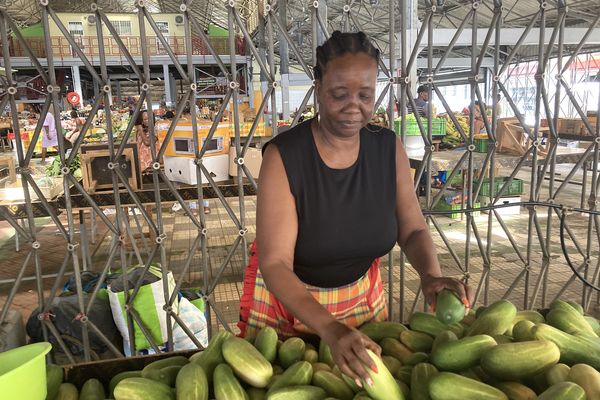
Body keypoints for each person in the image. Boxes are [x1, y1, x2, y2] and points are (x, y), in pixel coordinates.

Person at [238, 31, 473, 387]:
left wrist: (429, 274)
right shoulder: (284, 157)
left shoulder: (386, 148)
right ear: (317, 88)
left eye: (365, 95)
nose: (354, 107)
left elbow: (411, 229)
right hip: (289, 308)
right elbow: (275, 264)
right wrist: (330, 328)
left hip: (363, 302)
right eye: (339, 94)